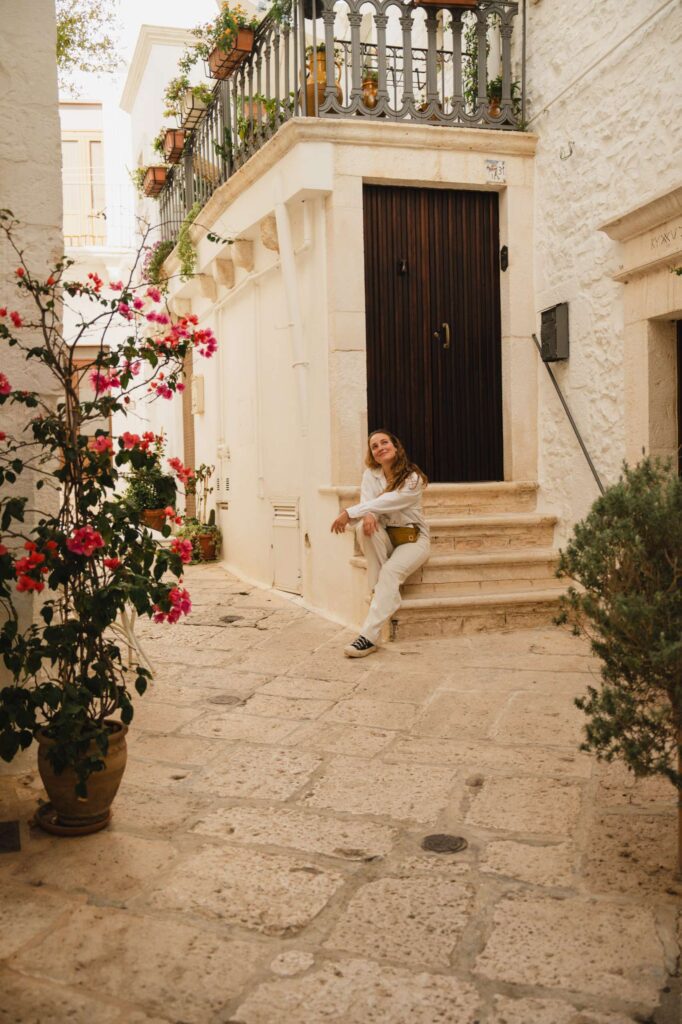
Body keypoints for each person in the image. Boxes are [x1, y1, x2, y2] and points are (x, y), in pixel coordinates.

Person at [330, 429, 430, 657]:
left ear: (396, 447)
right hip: (386, 536)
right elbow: (370, 503)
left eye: (384, 442)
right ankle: (387, 594)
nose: (380, 448)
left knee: (390, 573)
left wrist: (350, 511)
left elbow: (387, 501)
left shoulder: (412, 478)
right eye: (374, 446)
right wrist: (367, 515)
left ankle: (369, 636)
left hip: (412, 540)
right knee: (364, 529)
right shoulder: (371, 475)